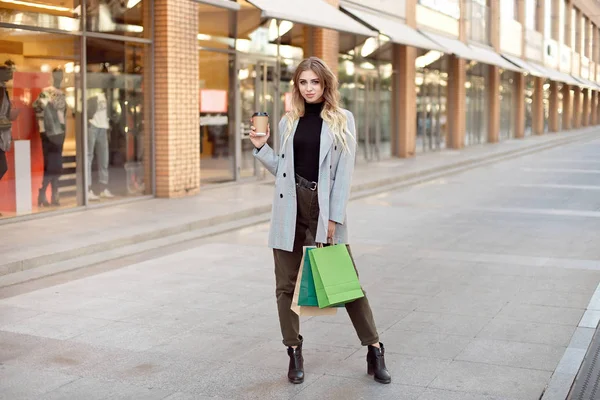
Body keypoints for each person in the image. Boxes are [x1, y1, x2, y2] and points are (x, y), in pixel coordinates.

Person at [249, 57, 391, 385]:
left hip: (323, 207)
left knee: (346, 284)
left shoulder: (343, 120)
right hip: (290, 208)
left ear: (325, 84)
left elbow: (344, 174)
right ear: (296, 86)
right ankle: (294, 352)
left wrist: (333, 220)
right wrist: (261, 148)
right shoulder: (289, 122)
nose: (309, 88)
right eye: (303, 82)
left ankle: (375, 347)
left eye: (315, 82)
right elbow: (284, 172)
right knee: (285, 286)